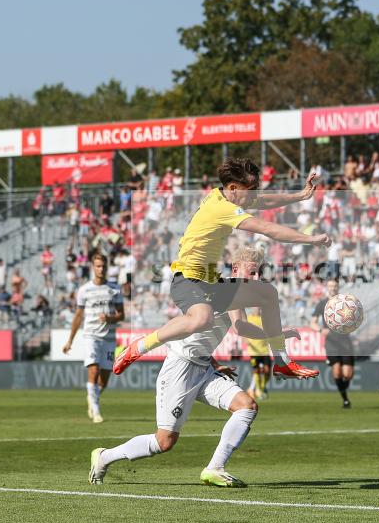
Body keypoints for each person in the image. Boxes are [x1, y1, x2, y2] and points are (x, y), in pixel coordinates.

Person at [89, 248, 298, 488]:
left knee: (247, 406)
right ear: (235, 269)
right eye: (252, 272)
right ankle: (104, 456)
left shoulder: (234, 292)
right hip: (180, 367)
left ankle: (215, 468)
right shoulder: (227, 289)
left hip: (204, 366)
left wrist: (214, 362)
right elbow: (240, 328)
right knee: (164, 442)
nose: (257, 278)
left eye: (259, 272)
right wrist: (276, 333)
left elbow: (229, 328)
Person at [113, 158, 330, 380]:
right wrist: (310, 239)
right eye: (252, 189)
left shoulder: (224, 195)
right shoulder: (222, 208)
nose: (255, 194)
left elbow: (263, 200)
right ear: (234, 188)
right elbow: (266, 228)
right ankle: (139, 346)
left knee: (268, 293)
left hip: (210, 283)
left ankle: (282, 362)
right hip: (188, 280)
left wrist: (300, 195)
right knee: (202, 319)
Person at [63, 254, 125, 423]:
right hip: (91, 335)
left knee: (103, 381)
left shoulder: (115, 288)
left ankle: (92, 398)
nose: (101, 269)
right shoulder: (84, 290)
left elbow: (122, 315)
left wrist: (110, 318)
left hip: (109, 338)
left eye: (103, 266)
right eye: (98, 266)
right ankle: (96, 411)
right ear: (92, 267)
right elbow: (78, 316)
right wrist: (70, 340)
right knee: (93, 370)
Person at [311, 278, 356, 408]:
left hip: (345, 342)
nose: (333, 288)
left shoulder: (345, 302)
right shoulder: (322, 304)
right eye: (330, 286)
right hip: (331, 343)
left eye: (335, 286)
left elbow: (355, 317)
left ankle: (344, 388)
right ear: (327, 287)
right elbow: (312, 323)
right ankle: (345, 400)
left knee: (347, 375)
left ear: (338, 287)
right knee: (337, 372)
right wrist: (321, 330)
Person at [245, 308, 271, 400]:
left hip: (264, 350)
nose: (257, 309)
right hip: (254, 350)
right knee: (256, 371)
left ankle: (262, 387)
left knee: (267, 371)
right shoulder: (248, 319)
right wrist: (245, 340)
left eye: (259, 308)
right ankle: (258, 390)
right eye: (256, 307)